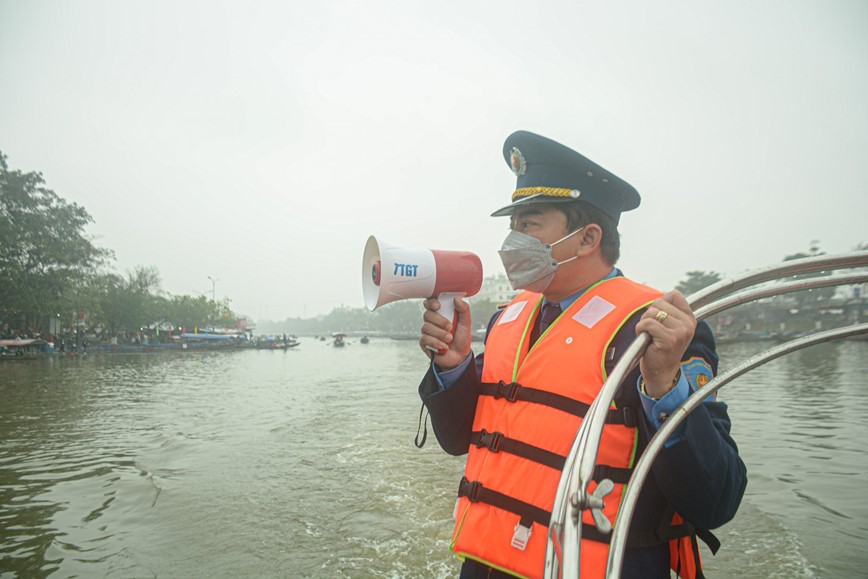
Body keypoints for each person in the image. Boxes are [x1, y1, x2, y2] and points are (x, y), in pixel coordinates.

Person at [417, 131, 746, 579]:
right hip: (487, 565)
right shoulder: (507, 320)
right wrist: (453, 367)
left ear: (588, 237)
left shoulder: (653, 332)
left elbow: (716, 498)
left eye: (528, 225)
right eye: (512, 226)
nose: (513, 241)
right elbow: (459, 441)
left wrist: (665, 385)